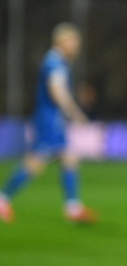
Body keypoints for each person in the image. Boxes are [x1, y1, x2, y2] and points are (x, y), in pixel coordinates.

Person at [0, 22, 97, 224]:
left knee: (69, 157)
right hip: (49, 120)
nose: (76, 46)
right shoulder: (55, 62)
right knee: (35, 163)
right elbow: (56, 90)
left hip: (52, 119)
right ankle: (3, 198)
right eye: (73, 41)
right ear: (61, 41)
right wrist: (73, 112)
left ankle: (73, 207)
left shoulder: (56, 61)